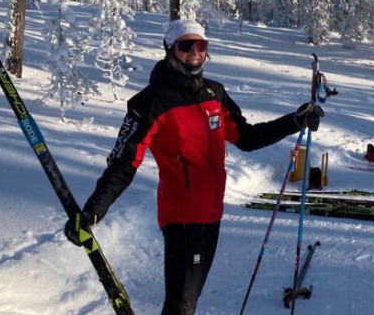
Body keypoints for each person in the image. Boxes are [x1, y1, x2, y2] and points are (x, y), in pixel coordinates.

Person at [64, 19, 324, 315]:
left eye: (201, 45)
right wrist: (94, 210)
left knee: (188, 302)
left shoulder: (214, 93)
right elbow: (124, 162)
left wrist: (294, 120)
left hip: (211, 214)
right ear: (170, 49)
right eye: (186, 46)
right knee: (181, 305)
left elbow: (247, 137)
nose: (195, 53)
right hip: (182, 217)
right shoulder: (151, 102)